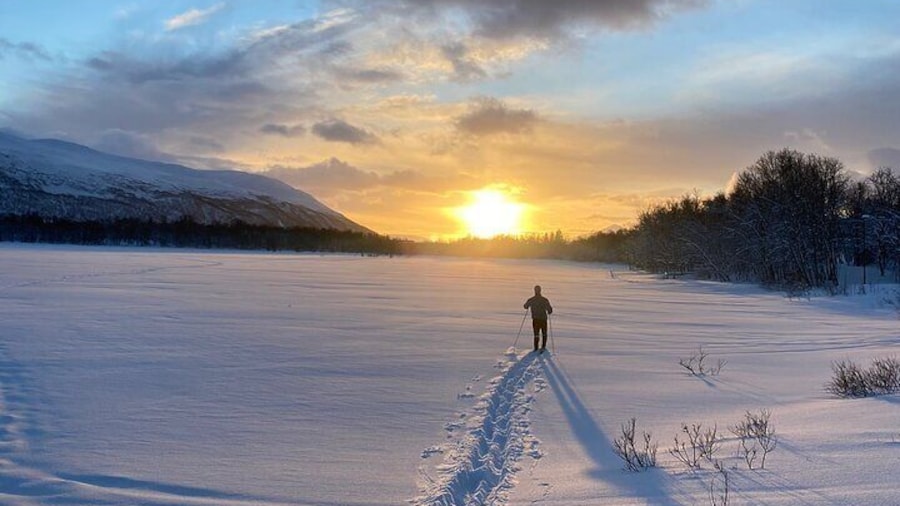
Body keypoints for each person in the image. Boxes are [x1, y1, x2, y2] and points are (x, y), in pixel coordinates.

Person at [523, 285, 553, 352]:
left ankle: (536, 348)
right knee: (544, 333)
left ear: (534, 291)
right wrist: (549, 311)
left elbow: (525, 306)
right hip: (543, 319)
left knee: (536, 334)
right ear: (540, 290)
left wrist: (528, 306)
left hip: (535, 319)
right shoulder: (544, 300)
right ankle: (543, 347)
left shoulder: (531, 299)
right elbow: (550, 310)